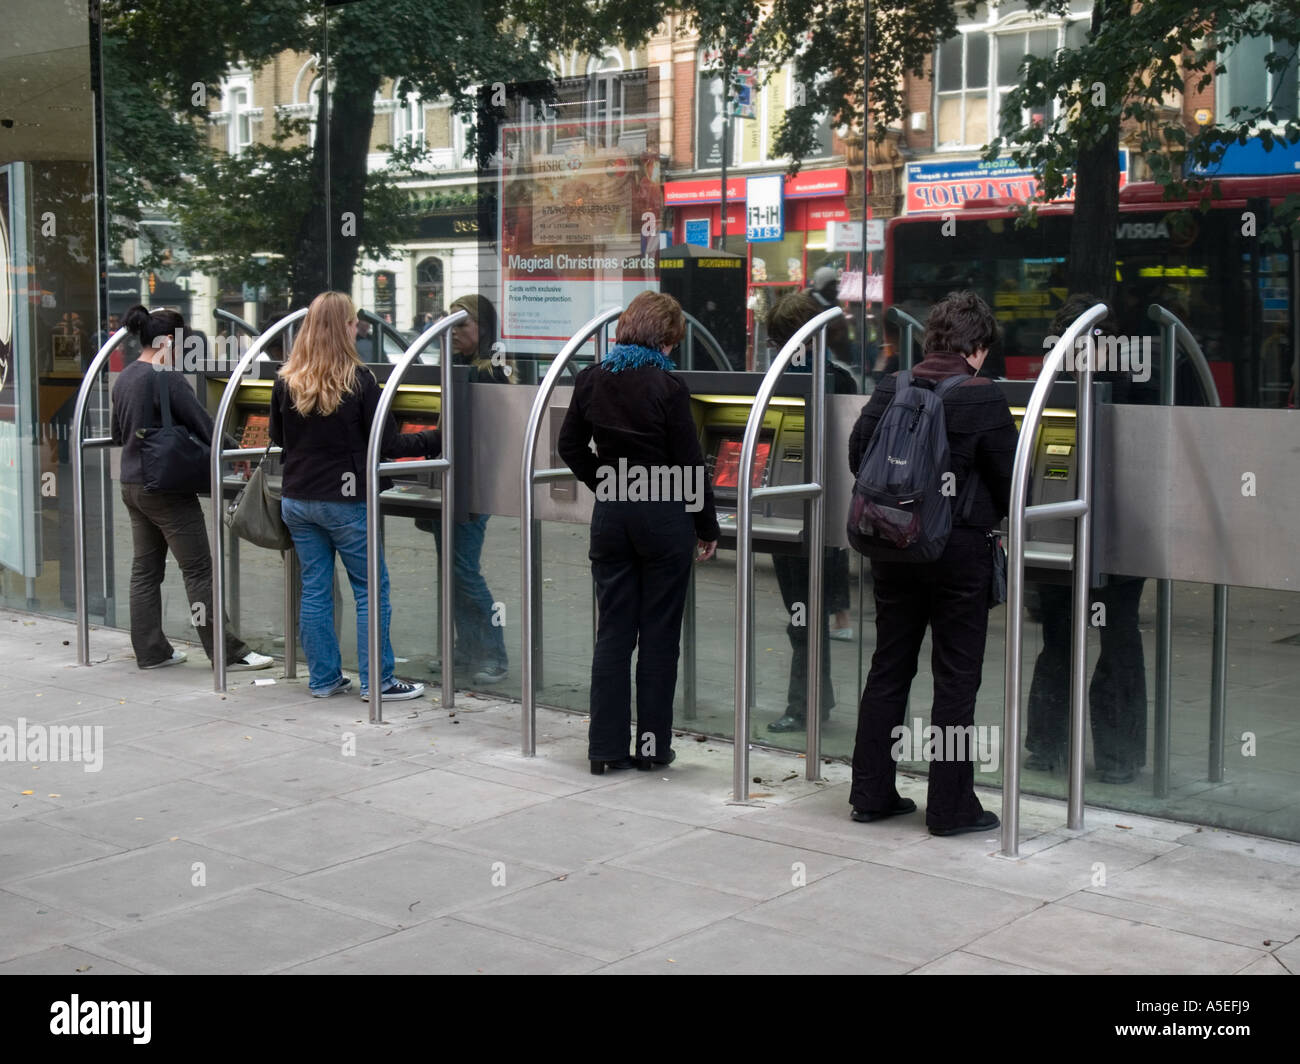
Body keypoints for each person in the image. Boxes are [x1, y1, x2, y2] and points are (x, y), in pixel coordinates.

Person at [847, 290, 1016, 835]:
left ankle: (871, 793)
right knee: (956, 679)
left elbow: (859, 456)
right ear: (979, 346)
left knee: (889, 666)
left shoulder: (893, 385)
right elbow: (1012, 483)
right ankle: (949, 807)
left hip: (895, 546)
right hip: (960, 553)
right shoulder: (982, 395)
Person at [558, 291, 719, 774]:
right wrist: (706, 526)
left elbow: (569, 445)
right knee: (658, 636)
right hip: (663, 517)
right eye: (673, 341)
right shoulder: (668, 387)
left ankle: (604, 748)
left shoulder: (591, 378)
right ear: (666, 339)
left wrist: (604, 480)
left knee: (613, 634)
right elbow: (690, 463)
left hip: (612, 517)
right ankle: (651, 748)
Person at [270, 291, 438, 700]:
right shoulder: (359, 380)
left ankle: (324, 680)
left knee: (315, 589)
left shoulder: (286, 378)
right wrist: (439, 437)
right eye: (353, 322)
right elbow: (389, 444)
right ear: (342, 327)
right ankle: (378, 682)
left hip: (297, 499)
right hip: (346, 502)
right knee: (370, 591)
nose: (357, 327)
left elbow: (278, 437)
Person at [1025, 294, 1151, 784]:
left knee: (1058, 643)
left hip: (1058, 537)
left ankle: (1045, 746)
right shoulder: (1138, 389)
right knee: (1119, 640)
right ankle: (1119, 757)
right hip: (1124, 537)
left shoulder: (1045, 391)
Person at [110, 305, 272, 673]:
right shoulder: (166, 378)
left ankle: (151, 652)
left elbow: (120, 435)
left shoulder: (126, 377)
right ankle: (226, 651)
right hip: (166, 489)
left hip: (133, 485)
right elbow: (205, 425)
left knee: (145, 570)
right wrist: (239, 452)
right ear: (168, 340)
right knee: (199, 570)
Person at [762, 291, 853, 733]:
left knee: (803, 615)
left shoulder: (782, 382)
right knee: (806, 614)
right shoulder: (839, 378)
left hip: (796, 510)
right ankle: (814, 698)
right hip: (816, 512)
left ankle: (806, 703)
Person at [418, 293, 511, 685]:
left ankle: (493, 653)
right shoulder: (456, 365)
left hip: (473, 483)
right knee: (453, 570)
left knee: (464, 570)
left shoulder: (492, 372)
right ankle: (467, 648)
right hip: (451, 478)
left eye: (462, 325)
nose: (454, 333)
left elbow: (492, 433)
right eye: (450, 324)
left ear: (483, 328)